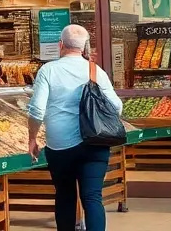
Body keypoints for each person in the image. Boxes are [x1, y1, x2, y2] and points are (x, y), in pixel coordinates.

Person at [26, 25, 122, 231]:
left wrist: (32, 138)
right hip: (95, 143)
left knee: (64, 196)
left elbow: (36, 110)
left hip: (59, 146)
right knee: (93, 197)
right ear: (85, 47)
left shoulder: (48, 70)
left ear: (60, 45)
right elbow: (117, 107)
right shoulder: (96, 71)